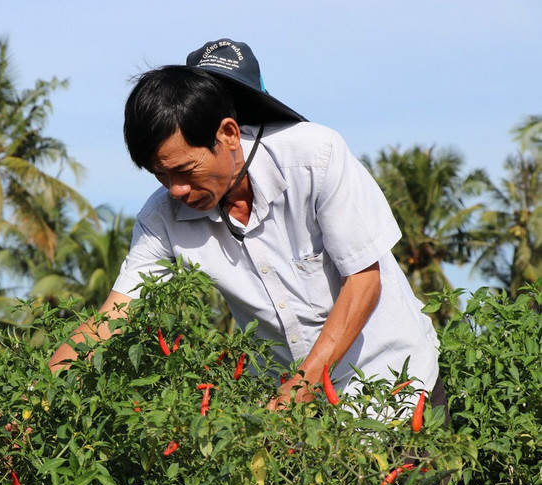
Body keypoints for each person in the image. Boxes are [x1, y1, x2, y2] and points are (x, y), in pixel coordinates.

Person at [48, 38, 442, 412]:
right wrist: (34, 399)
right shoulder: (162, 218)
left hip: (392, 387)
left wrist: (301, 387)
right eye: (161, 176)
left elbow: (364, 282)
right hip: (295, 415)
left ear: (229, 134)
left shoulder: (314, 159)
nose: (177, 190)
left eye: (185, 171)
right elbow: (113, 317)